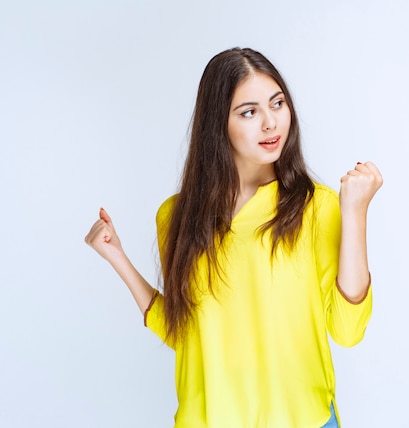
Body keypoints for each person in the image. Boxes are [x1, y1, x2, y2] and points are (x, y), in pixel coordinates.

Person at [85, 47, 383, 428]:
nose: (271, 123)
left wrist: (355, 214)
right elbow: (186, 333)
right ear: (218, 123)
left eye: (277, 104)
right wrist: (118, 258)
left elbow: (348, 330)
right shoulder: (175, 217)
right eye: (249, 112)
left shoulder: (317, 208)